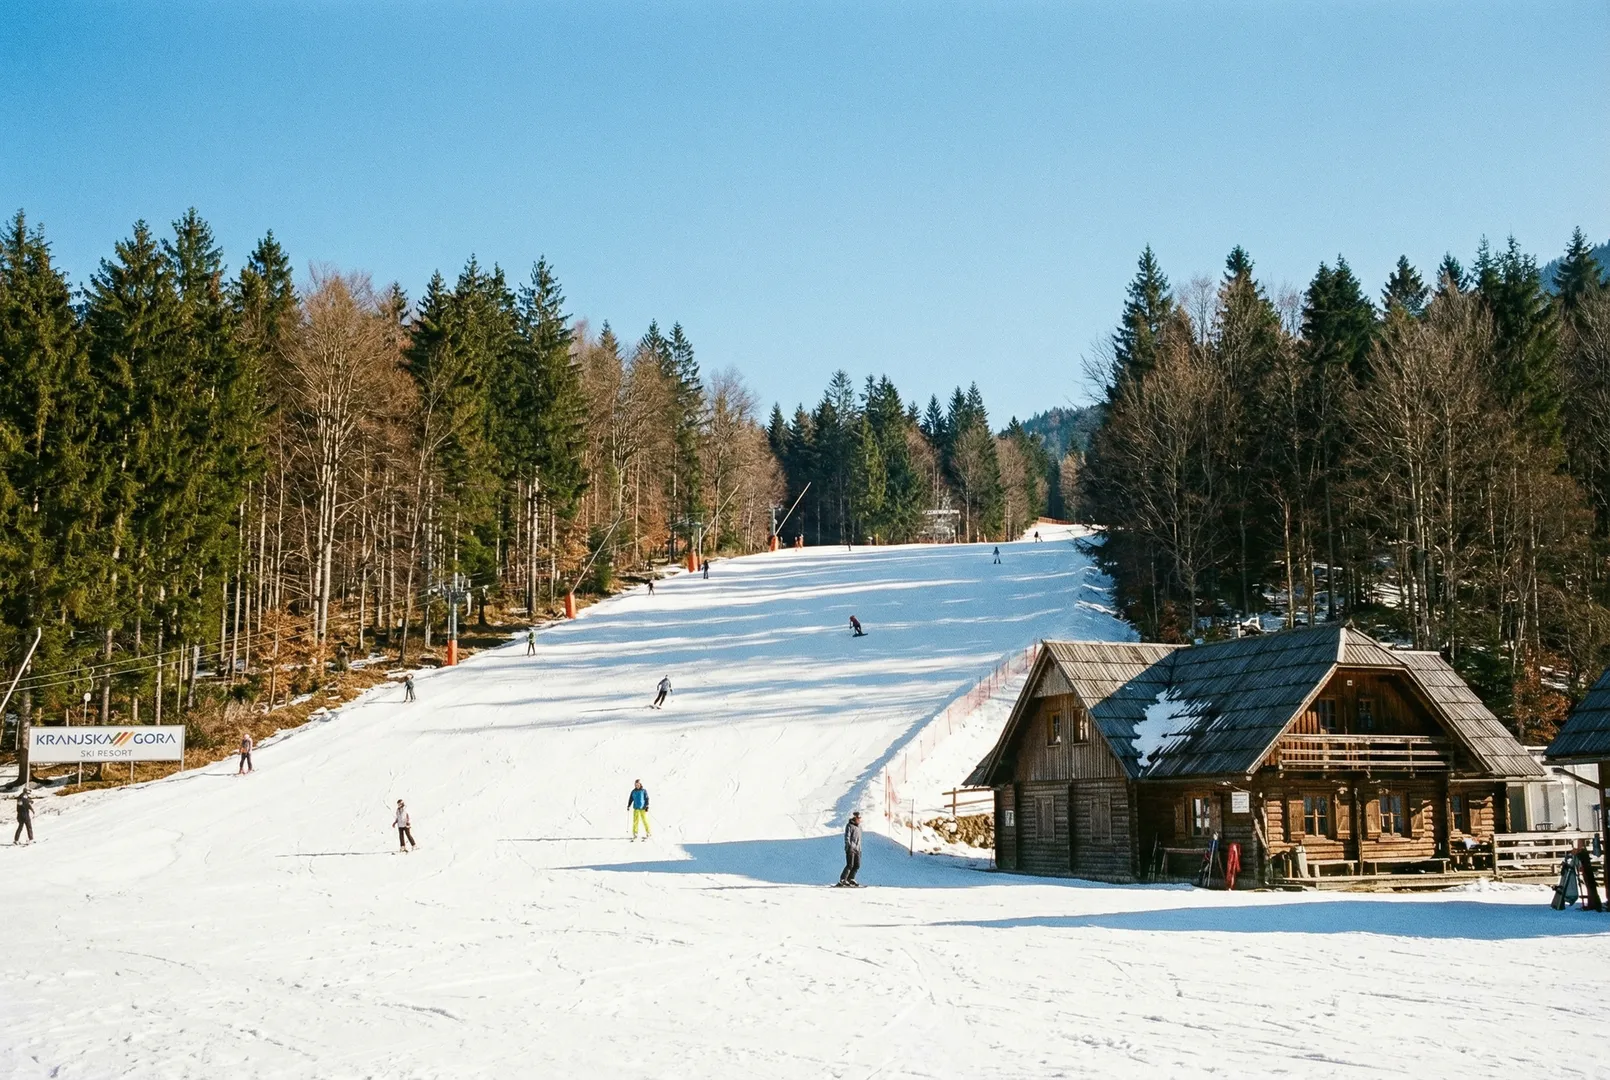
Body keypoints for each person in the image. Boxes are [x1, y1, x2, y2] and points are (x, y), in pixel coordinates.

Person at [838, 811, 862, 886]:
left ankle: (851, 879)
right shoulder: (849, 825)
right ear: (855, 818)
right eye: (859, 818)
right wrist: (848, 845)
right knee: (850, 864)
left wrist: (860, 849)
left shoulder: (859, 827)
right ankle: (843, 879)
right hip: (851, 848)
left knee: (857, 865)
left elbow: (859, 840)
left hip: (857, 849)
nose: (860, 820)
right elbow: (847, 836)